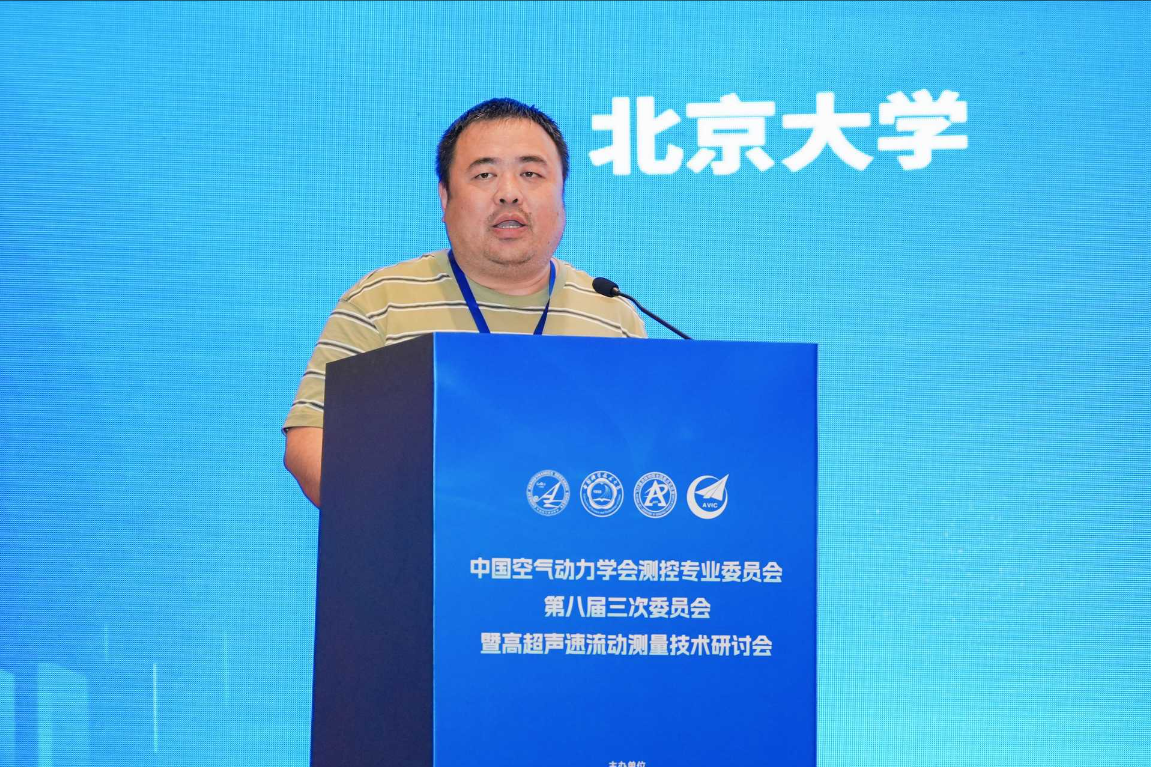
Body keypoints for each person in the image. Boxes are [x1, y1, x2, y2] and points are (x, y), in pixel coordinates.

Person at [283, 98, 646, 507]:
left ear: (562, 194)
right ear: (445, 197)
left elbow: (646, 455)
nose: (509, 194)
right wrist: (404, 513)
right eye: (485, 174)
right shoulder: (380, 301)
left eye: (530, 173)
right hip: (421, 542)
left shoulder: (611, 313)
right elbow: (310, 441)